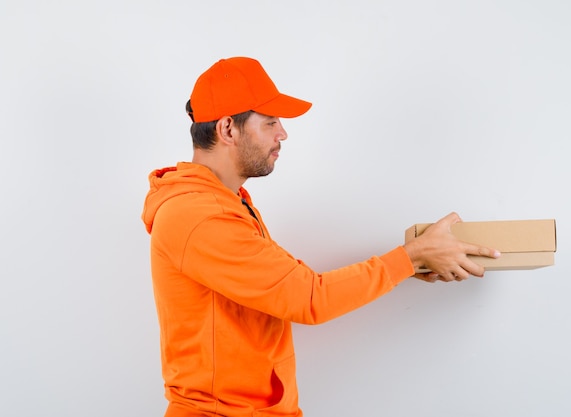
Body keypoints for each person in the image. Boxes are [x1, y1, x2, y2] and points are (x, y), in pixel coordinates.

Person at [141, 56, 500, 417]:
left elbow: (282, 287)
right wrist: (409, 257)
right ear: (228, 130)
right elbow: (309, 297)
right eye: (270, 123)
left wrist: (414, 262)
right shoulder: (200, 216)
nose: (282, 133)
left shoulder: (226, 202)